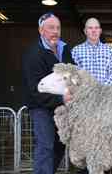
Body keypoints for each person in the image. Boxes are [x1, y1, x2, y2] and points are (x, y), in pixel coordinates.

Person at [22, 13, 74, 174]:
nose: (55, 31)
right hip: (41, 107)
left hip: (61, 107)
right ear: (41, 30)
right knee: (45, 145)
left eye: (58, 28)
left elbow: (71, 73)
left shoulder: (64, 49)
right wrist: (61, 98)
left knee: (60, 144)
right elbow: (35, 90)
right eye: (51, 28)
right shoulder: (33, 55)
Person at [71, 17, 112, 86]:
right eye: (90, 28)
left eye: (96, 28)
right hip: (83, 94)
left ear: (100, 31)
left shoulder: (109, 51)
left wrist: (100, 90)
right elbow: (72, 73)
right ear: (85, 31)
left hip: (104, 94)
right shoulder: (76, 51)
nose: (94, 30)